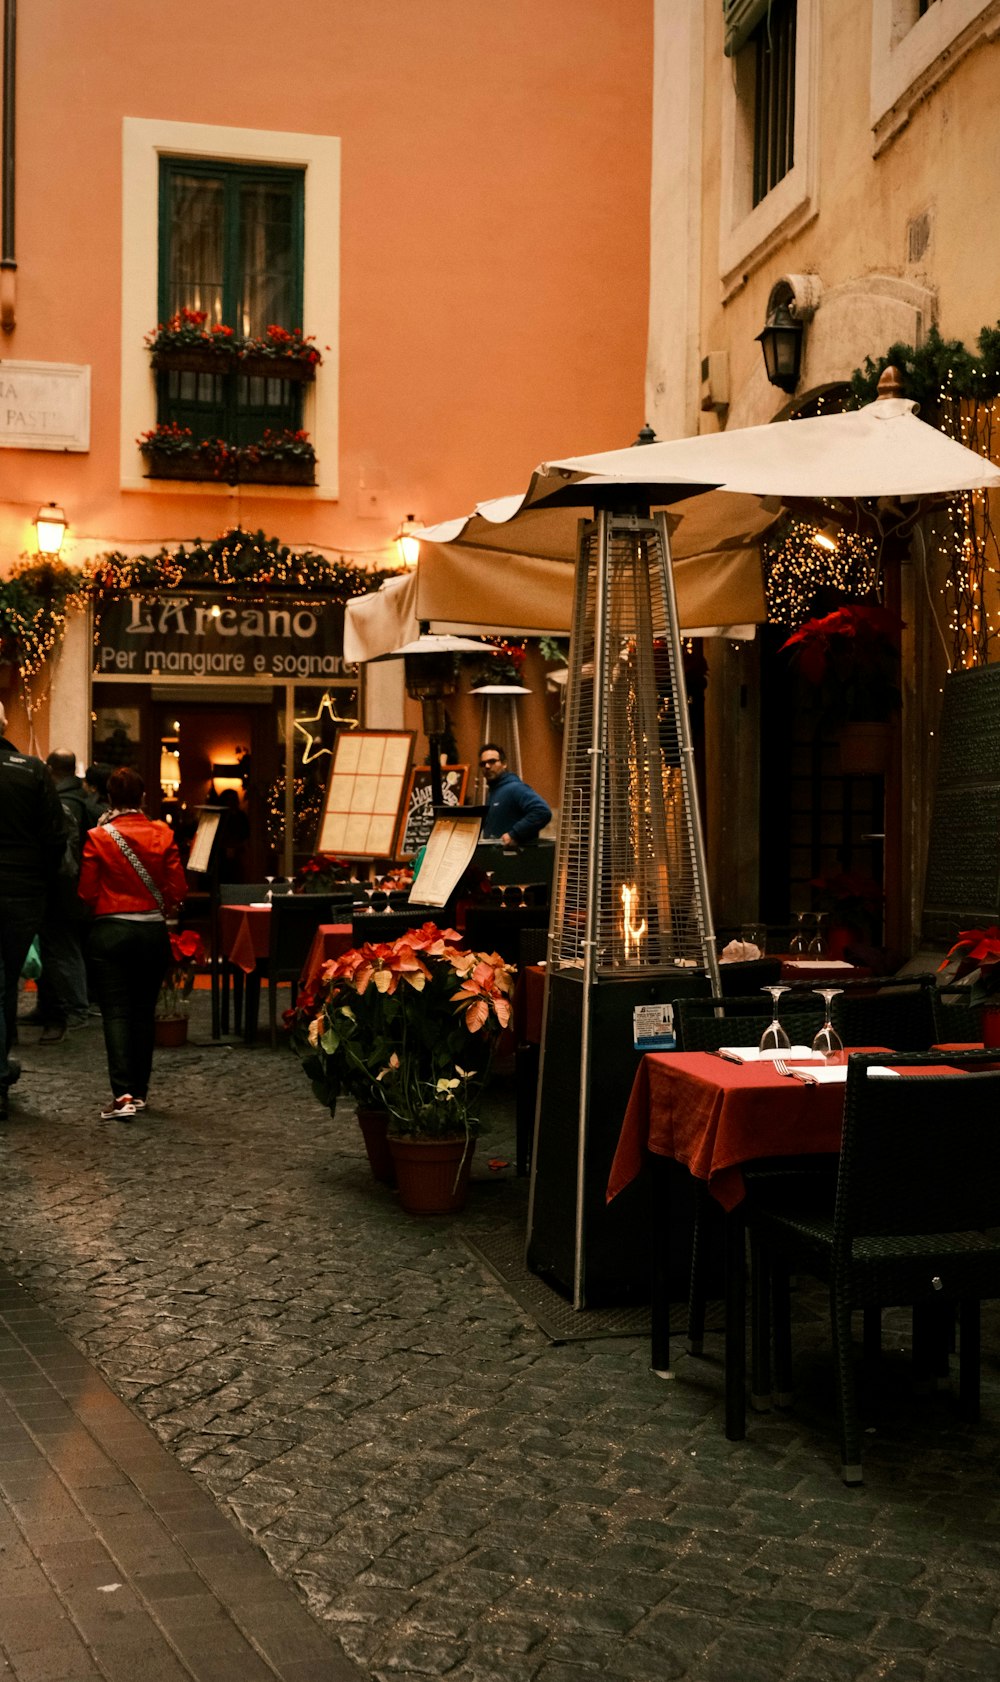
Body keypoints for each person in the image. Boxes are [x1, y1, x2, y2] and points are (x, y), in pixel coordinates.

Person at [78, 767, 189, 1121]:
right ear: (143, 797)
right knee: (143, 1012)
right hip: (150, 932)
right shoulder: (162, 833)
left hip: (110, 931)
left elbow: (86, 891)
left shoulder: (98, 837)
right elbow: (177, 889)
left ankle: (122, 1094)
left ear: (108, 798)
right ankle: (140, 1092)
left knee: (116, 1013)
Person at [0, 702, 67, 1119]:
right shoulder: (31, 770)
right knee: (7, 985)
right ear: (5, 723)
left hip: (23, 888)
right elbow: (55, 837)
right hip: (22, 894)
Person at [26, 751, 102, 1042]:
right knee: (62, 947)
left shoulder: (63, 802)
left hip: (63, 889)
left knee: (63, 949)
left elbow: (62, 854)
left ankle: (74, 1008)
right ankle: (52, 1007)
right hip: (77, 888)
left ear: (50, 768)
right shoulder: (82, 800)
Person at [479, 744, 552, 846]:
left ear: (504, 764)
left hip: (516, 859)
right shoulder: (493, 791)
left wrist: (514, 834)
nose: (487, 766)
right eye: (483, 764)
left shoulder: (515, 788)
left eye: (492, 761)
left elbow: (542, 811)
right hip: (498, 858)